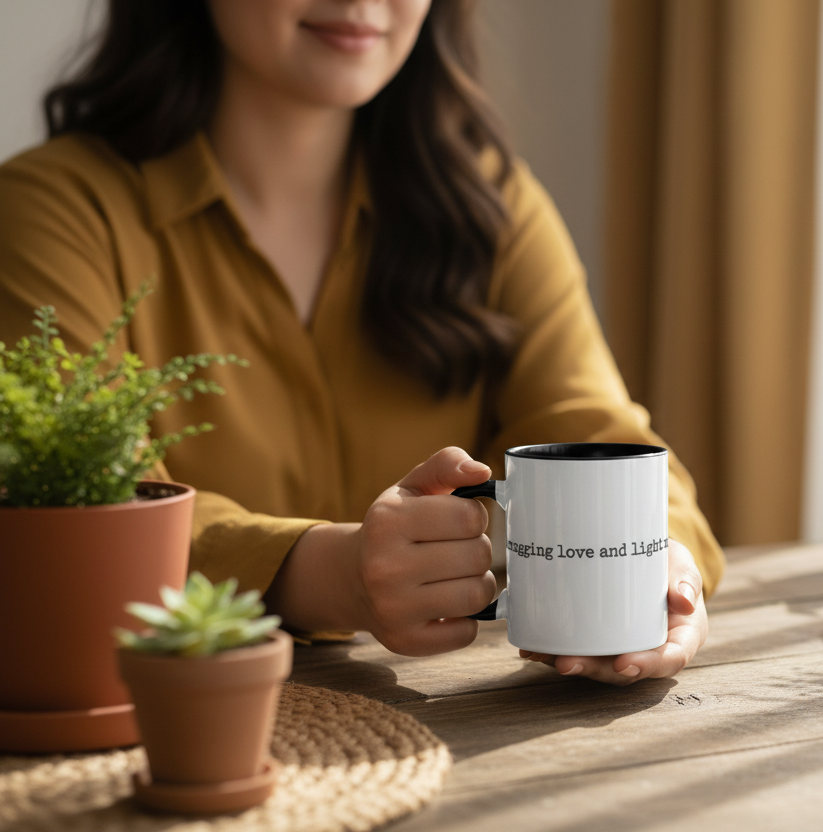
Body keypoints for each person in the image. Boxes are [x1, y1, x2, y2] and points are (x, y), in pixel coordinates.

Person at [0, 0, 724, 685]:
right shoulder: (51, 214)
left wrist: (662, 565)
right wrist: (335, 573)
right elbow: (84, 516)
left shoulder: (493, 205)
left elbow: (602, 437)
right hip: (166, 728)